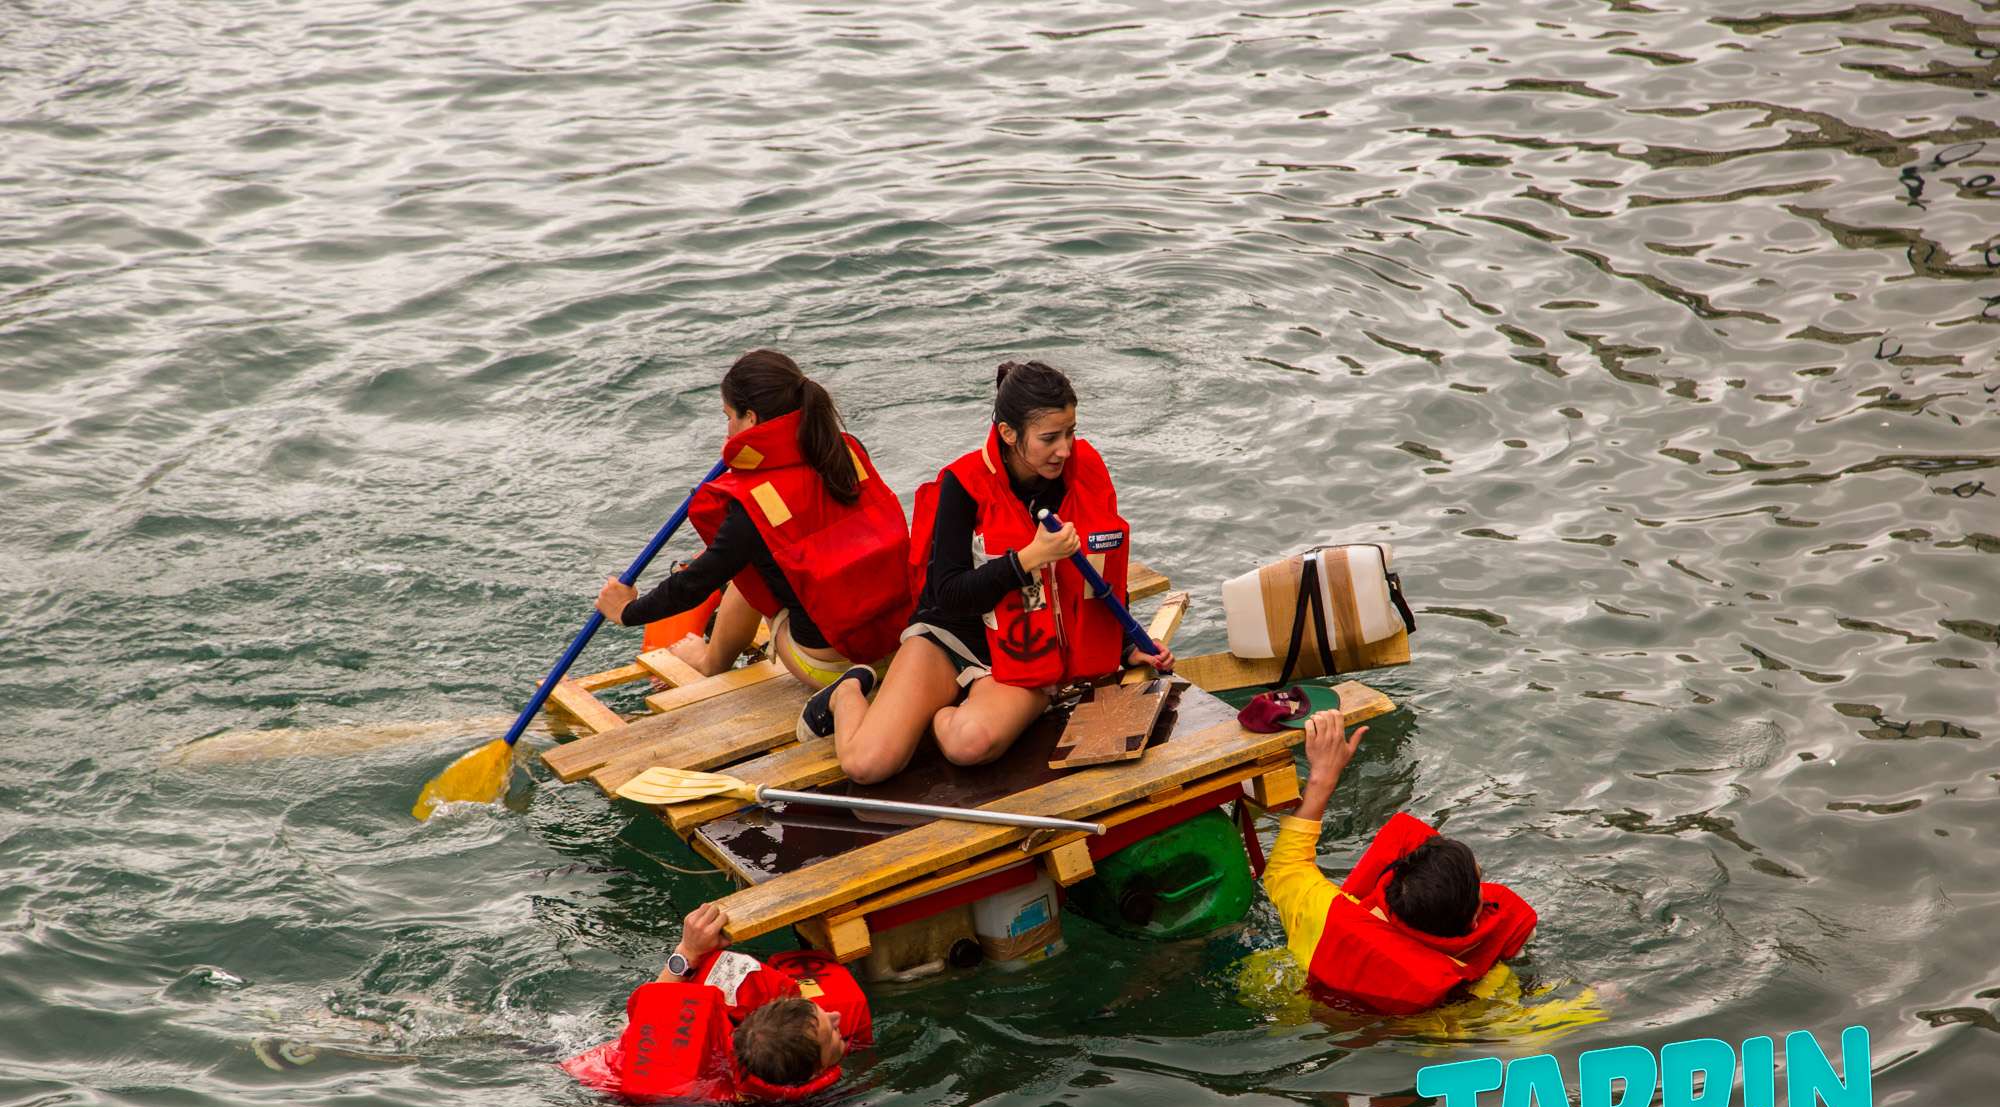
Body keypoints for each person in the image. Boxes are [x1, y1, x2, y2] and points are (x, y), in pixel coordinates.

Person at [797, 360, 1172, 782]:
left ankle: (946, 710)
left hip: (1026, 652)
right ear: (1008, 433)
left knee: (967, 745)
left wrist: (1126, 645)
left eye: (1070, 432)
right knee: (867, 765)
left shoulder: (1083, 473)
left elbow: (1101, 573)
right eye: (1049, 438)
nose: (1065, 450)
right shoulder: (963, 484)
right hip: (952, 635)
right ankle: (848, 692)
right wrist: (1027, 559)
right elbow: (948, 593)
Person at [595, 350, 913, 690]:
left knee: (746, 570)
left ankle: (710, 661)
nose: (727, 428)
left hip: (834, 668)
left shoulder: (753, 504)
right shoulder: (847, 453)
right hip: (904, 646)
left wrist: (626, 611)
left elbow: (694, 584)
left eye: (728, 416)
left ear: (750, 418)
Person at [1264, 709, 1539, 1015]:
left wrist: (1323, 775)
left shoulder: (1324, 913)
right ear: (1475, 922)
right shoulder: (1474, 989)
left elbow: (1285, 867)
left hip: (1282, 998)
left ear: (1395, 880)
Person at [562, 903, 873, 1103]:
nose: (837, 1016)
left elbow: (653, 1015)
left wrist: (688, 951)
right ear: (815, 1072)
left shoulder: (724, 1052)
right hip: (583, 1084)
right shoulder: (805, 1099)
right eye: (832, 1032)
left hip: (608, 1055)